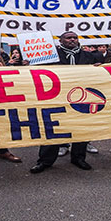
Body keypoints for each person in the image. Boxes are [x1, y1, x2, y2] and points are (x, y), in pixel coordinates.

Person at [30, 32, 98, 174]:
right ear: (60, 41)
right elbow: (37, 72)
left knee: (81, 129)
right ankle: (44, 161)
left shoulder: (90, 56)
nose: (72, 40)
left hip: (82, 98)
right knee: (54, 128)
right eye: (68, 38)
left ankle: (78, 158)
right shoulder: (49, 55)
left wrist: (99, 70)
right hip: (57, 97)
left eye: (75, 38)